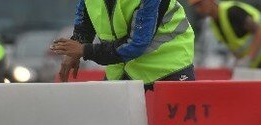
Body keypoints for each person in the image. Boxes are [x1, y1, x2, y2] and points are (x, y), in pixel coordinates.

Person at [50, 0, 196, 84]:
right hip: (121, 69)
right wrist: (74, 48)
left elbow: (136, 44)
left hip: (168, 68)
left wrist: (84, 50)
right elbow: (84, 25)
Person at [189, 0, 261, 75]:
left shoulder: (232, 11)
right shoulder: (213, 24)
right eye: (195, 7)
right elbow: (236, 45)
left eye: (200, 4)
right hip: (257, 58)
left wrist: (248, 58)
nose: (198, 9)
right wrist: (237, 61)